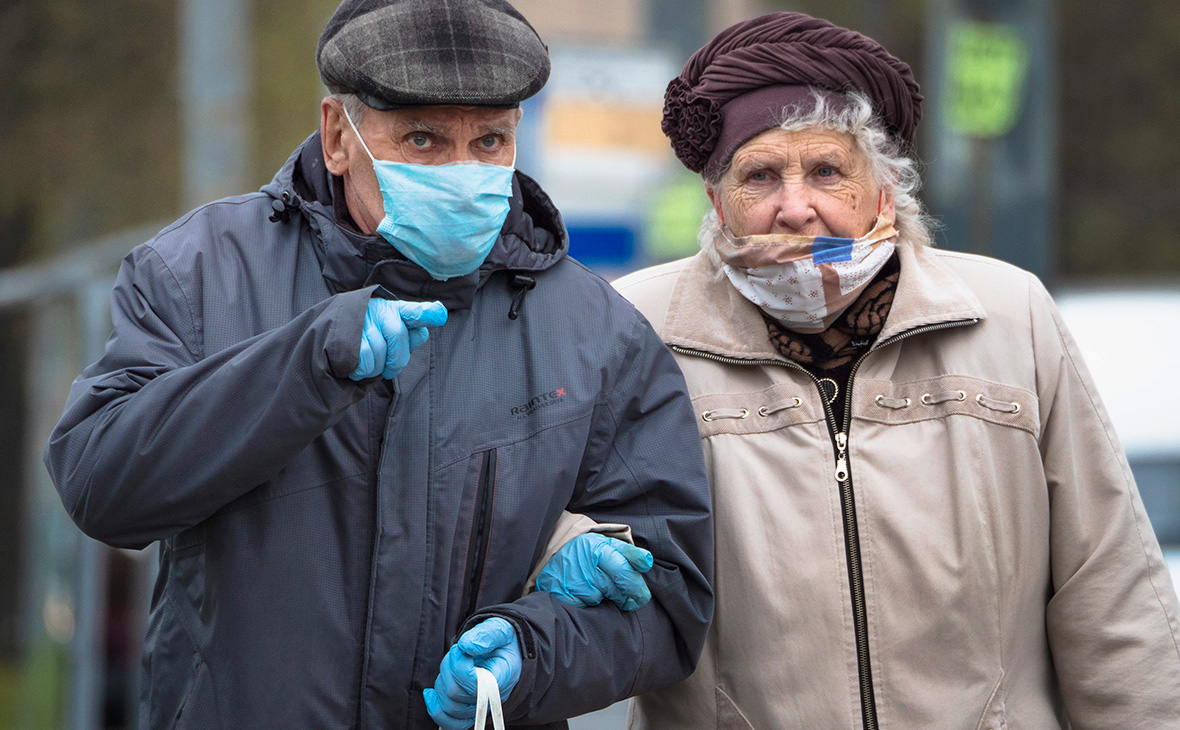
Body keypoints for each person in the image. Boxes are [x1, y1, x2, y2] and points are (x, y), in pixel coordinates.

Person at [42, 1, 713, 727]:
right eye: (423, 140)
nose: (463, 173)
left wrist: (537, 650)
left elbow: (670, 598)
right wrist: (305, 364)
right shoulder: (199, 272)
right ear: (338, 136)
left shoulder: (594, 330)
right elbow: (101, 485)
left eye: (490, 141)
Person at [546, 11, 1180, 729]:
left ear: (884, 190)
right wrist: (570, 546)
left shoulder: (1010, 316)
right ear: (716, 204)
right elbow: (525, 517)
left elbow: (1112, 593)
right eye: (760, 176)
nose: (796, 209)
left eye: (826, 171)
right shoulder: (632, 329)